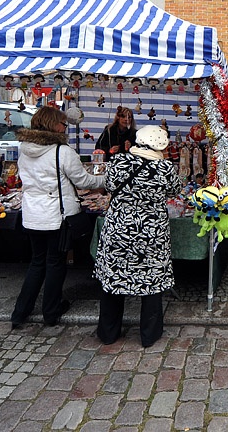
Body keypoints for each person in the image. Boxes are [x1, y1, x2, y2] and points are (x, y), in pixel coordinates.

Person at [11, 106, 105, 329]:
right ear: (53, 125)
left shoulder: (24, 149)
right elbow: (84, 181)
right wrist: (105, 181)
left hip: (33, 215)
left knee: (37, 263)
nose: (66, 128)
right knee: (55, 263)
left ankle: (20, 312)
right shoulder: (62, 152)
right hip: (56, 216)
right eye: (63, 124)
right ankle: (51, 311)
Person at [94, 125, 181, 348]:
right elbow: (174, 190)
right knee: (151, 282)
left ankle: (108, 333)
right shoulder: (165, 168)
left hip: (119, 230)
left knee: (114, 279)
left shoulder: (119, 162)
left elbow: (109, 186)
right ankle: (149, 335)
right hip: (151, 233)